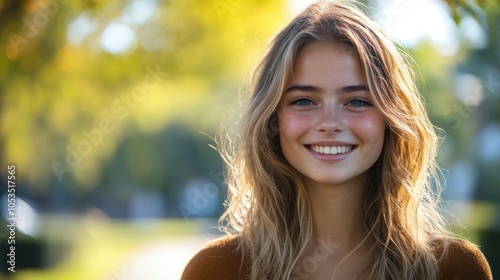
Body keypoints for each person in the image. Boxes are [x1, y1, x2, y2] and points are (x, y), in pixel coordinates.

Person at [181, 1, 493, 279]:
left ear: (390, 119)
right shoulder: (216, 270)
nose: (330, 123)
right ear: (274, 119)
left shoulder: (455, 269)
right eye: (304, 101)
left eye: (357, 101)